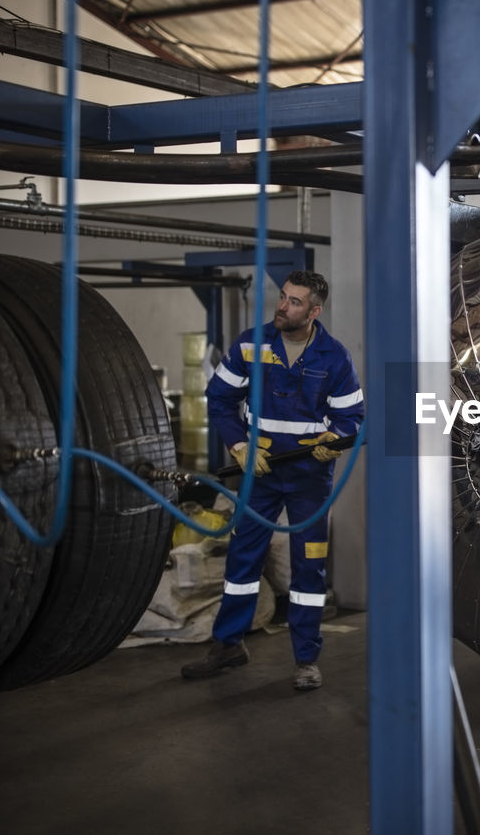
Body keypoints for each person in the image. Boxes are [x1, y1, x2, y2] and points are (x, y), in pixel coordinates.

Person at [181, 270, 364, 692]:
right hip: (258, 474)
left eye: (295, 301)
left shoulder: (334, 358)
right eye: (283, 296)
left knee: (309, 570)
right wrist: (239, 447)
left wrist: (332, 442)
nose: (283, 306)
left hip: (309, 480)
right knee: (242, 563)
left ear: (315, 311)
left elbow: (351, 417)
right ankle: (228, 645)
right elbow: (220, 398)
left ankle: (306, 659)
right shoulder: (251, 343)